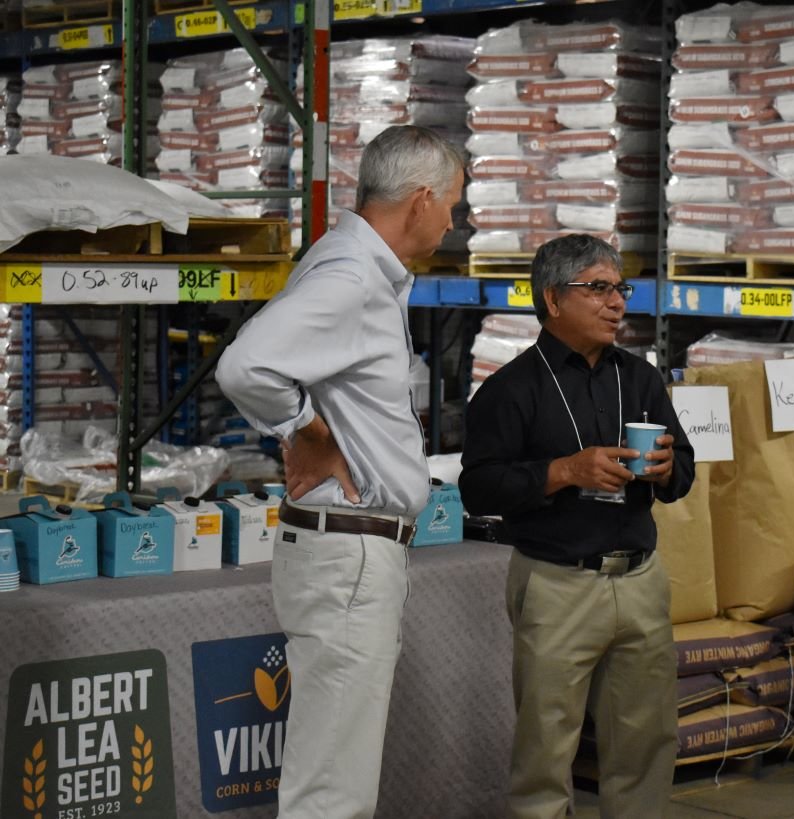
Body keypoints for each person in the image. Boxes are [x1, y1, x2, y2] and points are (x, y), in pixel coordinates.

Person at [215, 125, 464, 819]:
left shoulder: (351, 263)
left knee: (332, 773)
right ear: (420, 200)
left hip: (343, 550)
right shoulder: (353, 277)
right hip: (348, 553)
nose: (453, 220)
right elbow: (244, 365)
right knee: (333, 791)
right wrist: (306, 429)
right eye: (451, 203)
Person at [459, 234, 695, 819]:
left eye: (621, 289)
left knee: (645, 748)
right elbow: (479, 488)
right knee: (545, 755)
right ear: (553, 300)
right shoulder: (510, 389)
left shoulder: (639, 379)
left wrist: (667, 469)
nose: (617, 303)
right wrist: (564, 471)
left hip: (640, 582)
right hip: (557, 586)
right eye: (599, 288)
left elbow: (684, 468)